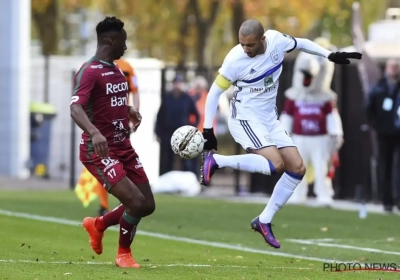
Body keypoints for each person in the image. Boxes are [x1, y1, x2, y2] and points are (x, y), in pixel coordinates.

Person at [200, 19, 361, 248]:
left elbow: (302, 43)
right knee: (276, 164)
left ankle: (264, 220)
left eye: (251, 45)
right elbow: (214, 93)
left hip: (269, 119)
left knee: (297, 168)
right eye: (242, 44)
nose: (246, 49)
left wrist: (329, 55)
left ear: (263, 40)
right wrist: (208, 129)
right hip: (245, 117)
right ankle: (216, 160)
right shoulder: (234, 60)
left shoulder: (277, 41)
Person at [70, 16, 155, 268]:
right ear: (111, 40)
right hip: (99, 150)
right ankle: (123, 255)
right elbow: (76, 109)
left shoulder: (115, 68)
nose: (125, 47)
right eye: (124, 41)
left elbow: (107, 101)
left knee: (147, 204)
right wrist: (94, 132)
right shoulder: (89, 71)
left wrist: (127, 108)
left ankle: (97, 225)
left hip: (122, 146)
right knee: (135, 203)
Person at [366, 58, 400, 212]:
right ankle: (387, 201)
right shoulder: (379, 87)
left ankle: (398, 200)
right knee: (385, 166)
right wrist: (375, 125)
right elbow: (369, 107)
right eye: (391, 66)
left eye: (396, 67)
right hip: (384, 133)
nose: (393, 69)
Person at [155, 75, 200, 176]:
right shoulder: (167, 98)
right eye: (176, 83)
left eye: (179, 83)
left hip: (183, 134)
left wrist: (192, 129)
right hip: (168, 133)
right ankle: (167, 180)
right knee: (168, 160)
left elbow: (196, 115)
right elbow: (160, 116)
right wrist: (157, 132)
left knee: (186, 160)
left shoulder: (187, 98)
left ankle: (188, 180)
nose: (177, 85)